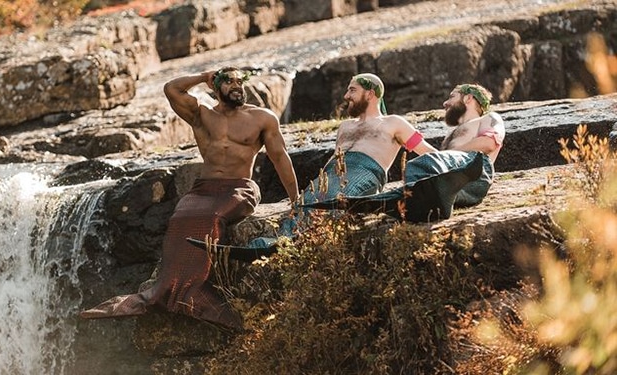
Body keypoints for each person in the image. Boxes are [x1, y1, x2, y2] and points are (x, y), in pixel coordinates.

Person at [80, 66, 300, 330]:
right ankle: (167, 292)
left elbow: (280, 158)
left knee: (211, 218)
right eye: (229, 81)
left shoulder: (262, 118)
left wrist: (295, 200)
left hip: (239, 188)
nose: (236, 85)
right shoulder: (201, 114)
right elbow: (171, 89)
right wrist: (202, 76)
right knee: (181, 217)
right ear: (215, 87)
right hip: (204, 188)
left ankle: (193, 292)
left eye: (240, 81)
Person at [245, 73, 437, 248]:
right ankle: (281, 239)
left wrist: (455, 162)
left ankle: (291, 242)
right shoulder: (345, 126)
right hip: (333, 173)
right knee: (306, 202)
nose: (346, 96)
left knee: (335, 200)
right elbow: (335, 158)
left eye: (352, 90)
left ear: (370, 94)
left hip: (367, 171)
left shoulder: (393, 122)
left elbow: (426, 150)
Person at [306, 83, 504, 222]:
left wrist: (442, 156)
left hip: (475, 171)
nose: (445, 103)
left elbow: (489, 142)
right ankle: (420, 201)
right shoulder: (451, 136)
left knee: (427, 162)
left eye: (451, 96)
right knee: (420, 169)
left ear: (469, 98)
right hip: (455, 183)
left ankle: (414, 194)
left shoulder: (489, 118)